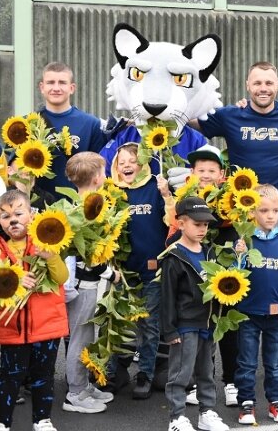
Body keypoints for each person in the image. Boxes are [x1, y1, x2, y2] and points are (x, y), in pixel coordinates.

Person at [192, 62, 278, 239]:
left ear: (277, 85)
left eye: (269, 83)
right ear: (247, 85)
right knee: (243, 266)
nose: (263, 88)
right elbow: (192, 121)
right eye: (257, 83)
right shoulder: (230, 115)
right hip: (242, 215)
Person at [174, 145, 241, 408]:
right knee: (203, 325)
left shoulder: (231, 195)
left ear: (221, 174)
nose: (205, 174)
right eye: (201, 169)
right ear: (192, 172)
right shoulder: (185, 197)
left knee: (227, 324)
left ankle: (232, 381)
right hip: (196, 264)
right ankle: (203, 380)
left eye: (211, 170)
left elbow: (240, 223)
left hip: (225, 264)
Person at [105, 143, 172, 399]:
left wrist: (167, 195)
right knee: (115, 321)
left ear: (143, 162)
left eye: (132, 160)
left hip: (152, 269)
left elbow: (172, 221)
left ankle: (145, 373)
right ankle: (111, 373)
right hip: (121, 270)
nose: (127, 166)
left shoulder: (156, 186)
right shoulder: (112, 191)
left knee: (149, 324)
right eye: (121, 162)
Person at [0, 190, 70, 431]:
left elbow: (61, 277)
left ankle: (42, 420)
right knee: (9, 377)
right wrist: (14, 282)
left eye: (19, 213)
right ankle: (2, 422)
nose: (13, 221)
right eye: (5, 216)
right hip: (11, 327)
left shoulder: (45, 241)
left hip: (47, 325)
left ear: (31, 215)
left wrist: (50, 257)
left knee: (44, 376)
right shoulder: (0, 248)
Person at [234, 184, 278, 425]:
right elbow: (234, 278)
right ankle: (246, 403)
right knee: (246, 362)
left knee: (275, 364)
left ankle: (276, 402)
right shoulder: (245, 240)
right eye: (263, 210)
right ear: (252, 212)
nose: (270, 215)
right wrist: (239, 256)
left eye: (275, 210)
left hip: (277, 316)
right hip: (248, 314)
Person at [161, 196, 230, 431]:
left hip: (207, 323)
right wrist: (169, 330)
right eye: (196, 224)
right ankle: (176, 418)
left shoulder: (210, 253)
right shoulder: (174, 256)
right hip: (184, 325)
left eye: (205, 225)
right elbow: (168, 296)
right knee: (181, 373)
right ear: (181, 223)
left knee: (206, 371)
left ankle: (207, 412)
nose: (202, 229)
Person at [62, 152, 118, 414]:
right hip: (84, 284)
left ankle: (84, 386)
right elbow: (91, 253)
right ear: (97, 178)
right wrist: (112, 275)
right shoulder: (88, 209)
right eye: (104, 172)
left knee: (84, 337)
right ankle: (75, 393)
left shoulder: (76, 203)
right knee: (80, 339)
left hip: (85, 283)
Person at [35, 62, 107, 199]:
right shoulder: (28, 124)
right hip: (39, 207)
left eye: (62, 82)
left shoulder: (91, 124)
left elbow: (100, 170)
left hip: (78, 208)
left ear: (72, 88)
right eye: (50, 82)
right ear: (42, 87)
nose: (56, 88)